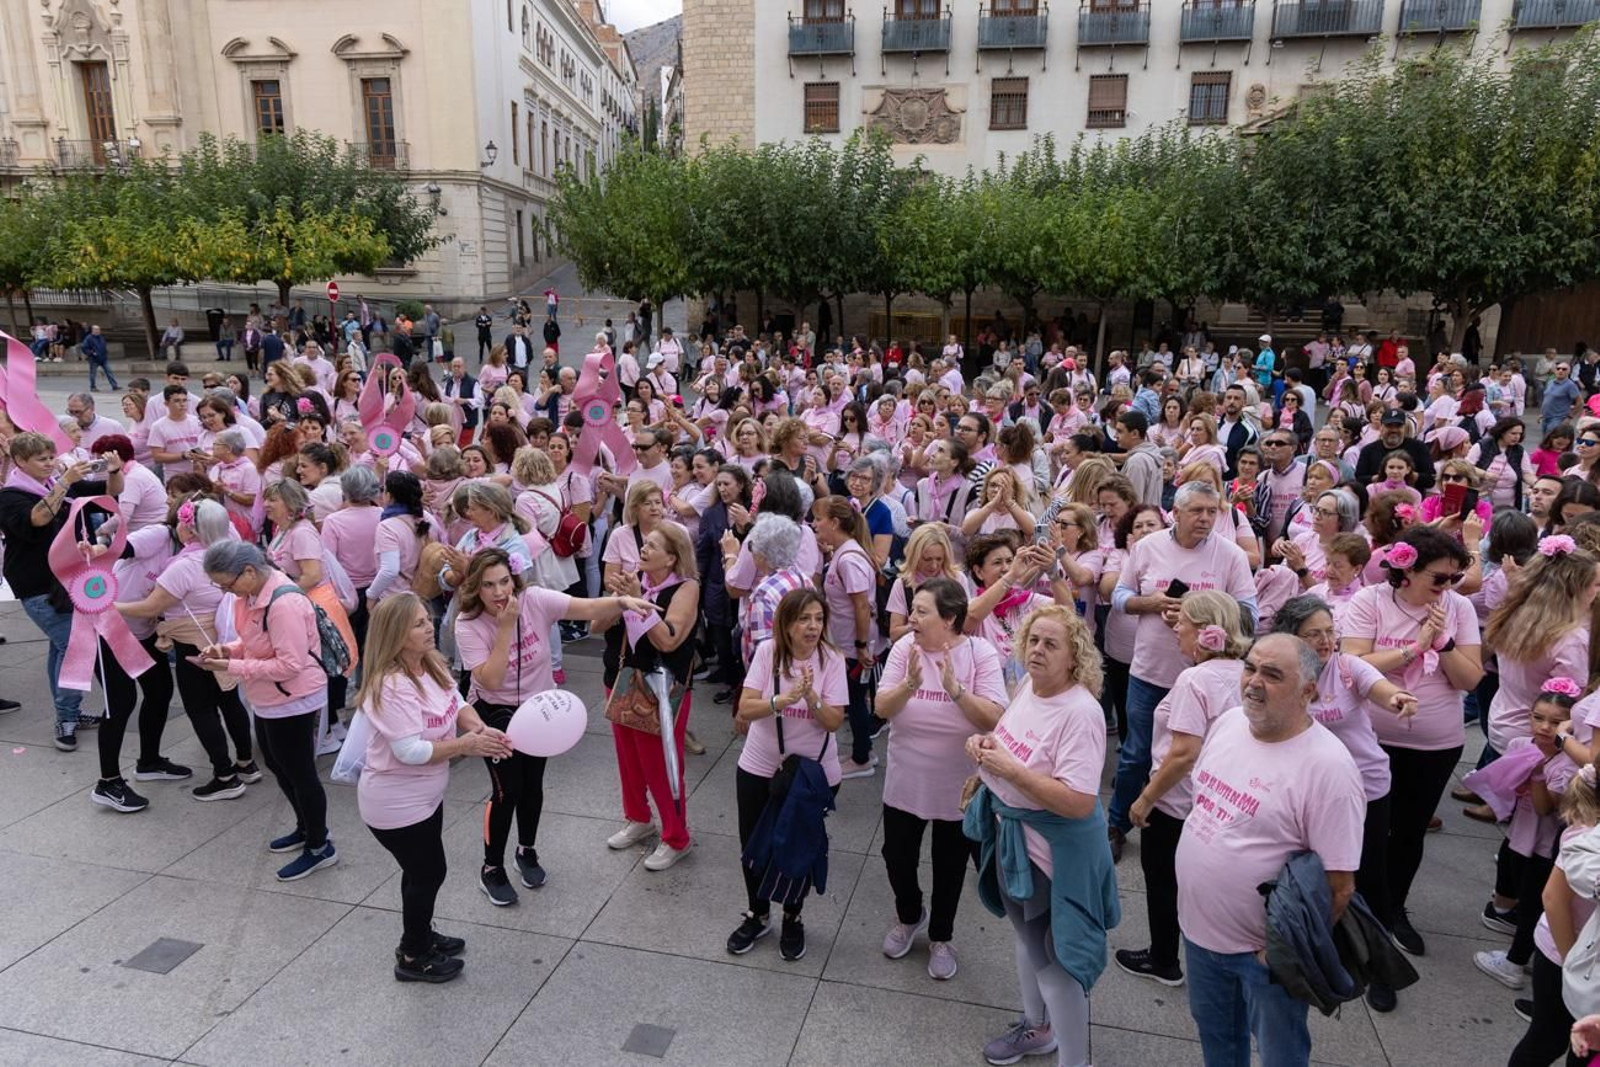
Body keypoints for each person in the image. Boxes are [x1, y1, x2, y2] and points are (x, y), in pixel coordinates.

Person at [1176, 633, 1365, 1067]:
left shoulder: (1330, 769)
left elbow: (1340, 887)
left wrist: (1283, 953)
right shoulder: (1227, 724)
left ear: (1308, 692)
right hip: (1199, 935)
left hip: (1263, 958)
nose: (1253, 682)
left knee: (1281, 1055)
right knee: (1218, 1044)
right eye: (1250, 667)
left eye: (1272, 674)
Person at [454, 549, 649, 906]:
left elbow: (585, 608)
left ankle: (526, 850)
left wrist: (623, 601)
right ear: (475, 589)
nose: (499, 593)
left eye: (504, 582)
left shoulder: (534, 599)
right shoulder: (468, 623)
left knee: (532, 786)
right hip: (494, 713)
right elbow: (492, 679)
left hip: (539, 710)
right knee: (506, 791)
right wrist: (502, 629)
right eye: (488, 585)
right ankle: (491, 868)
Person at [965, 605, 1115, 1067]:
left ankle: (1074, 1060)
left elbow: (1078, 801)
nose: (1037, 650)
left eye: (1051, 644)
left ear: (1074, 657)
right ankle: (1038, 1027)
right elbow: (1012, 742)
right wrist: (984, 750)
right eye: (1033, 640)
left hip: (1051, 856)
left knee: (1057, 965)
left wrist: (1010, 771)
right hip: (1015, 843)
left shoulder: (1081, 713)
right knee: (1026, 942)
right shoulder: (1030, 686)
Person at [1272, 594, 1420, 1012]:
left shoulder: (1348, 668)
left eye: (1329, 632)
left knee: (1369, 877)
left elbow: (1382, 687)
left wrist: (1397, 698)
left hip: (1364, 790)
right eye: (1313, 634)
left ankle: (1379, 968)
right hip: (1306, 794)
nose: (1325, 641)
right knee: (1308, 875)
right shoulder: (1286, 672)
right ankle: (1317, 944)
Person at [1339, 526, 1482, 957]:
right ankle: (1354, 906)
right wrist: (1414, 649)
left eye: (1456, 578)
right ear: (1406, 571)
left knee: (1409, 832)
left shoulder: (1458, 608)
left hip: (1435, 743)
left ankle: (1392, 909)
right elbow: (1353, 664)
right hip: (1371, 739)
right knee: (1366, 829)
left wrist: (1445, 643)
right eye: (1439, 578)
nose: (1449, 587)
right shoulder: (1371, 600)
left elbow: (1470, 678)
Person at [357, 593, 511, 983]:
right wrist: (467, 745)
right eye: (419, 624)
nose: (430, 627)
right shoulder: (391, 685)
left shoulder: (427, 664)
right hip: (395, 803)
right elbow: (409, 750)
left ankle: (422, 935)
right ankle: (413, 955)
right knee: (428, 873)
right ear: (395, 634)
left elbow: (456, 701)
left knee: (421, 871)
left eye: (428, 619)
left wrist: (476, 725)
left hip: (424, 797)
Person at [1108, 481, 1257, 860]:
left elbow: (1250, 614)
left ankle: (1195, 828)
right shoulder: (1147, 546)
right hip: (1150, 671)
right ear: (1176, 512)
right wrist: (1149, 603)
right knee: (1136, 754)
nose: (1206, 519)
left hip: (1206, 678)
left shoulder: (1231, 555)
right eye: (1198, 511)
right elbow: (1119, 596)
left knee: (1198, 757)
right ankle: (1116, 824)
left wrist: (1200, 612)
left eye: (1213, 511)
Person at [1116, 591, 1250, 988]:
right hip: (1217, 800)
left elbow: (1182, 753)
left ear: (1206, 631)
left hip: (1176, 802)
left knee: (1162, 881)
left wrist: (1145, 798)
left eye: (1183, 623)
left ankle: (1163, 959)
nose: (1176, 629)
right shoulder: (1244, 671)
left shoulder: (1195, 679)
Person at [875, 578, 1006, 980]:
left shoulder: (980, 653)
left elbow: (995, 716)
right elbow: (881, 707)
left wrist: (956, 690)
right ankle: (910, 914)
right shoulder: (903, 649)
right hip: (906, 777)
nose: (911, 618)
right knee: (897, 857)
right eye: (912, 610)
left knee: (949, 866)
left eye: (921, 611)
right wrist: (911, 685)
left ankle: (941, 936)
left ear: (950, 619)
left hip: (957, 784)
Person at [199, 541, 337, 882]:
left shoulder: (284, 602)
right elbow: (251, 642)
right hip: (269, 696)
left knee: (300, 771)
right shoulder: (249, 596)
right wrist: (226, 650)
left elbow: (290, 664)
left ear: (248, 571)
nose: (224, 591)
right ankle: (306, 828)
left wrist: (234, 664)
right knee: (277, 763)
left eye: (226, 584)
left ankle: (320, 845)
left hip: (292, 696)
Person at [727, 588, 848, 962]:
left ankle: (793, 916)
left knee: (797, 846)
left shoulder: (832, 660)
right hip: (759, 766)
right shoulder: (767, 652)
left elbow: (834, 721)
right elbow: (745, 709)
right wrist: (783, 699)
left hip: (810, 775)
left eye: (818, 618)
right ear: (787, 623)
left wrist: (810, 697)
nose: (813, 627)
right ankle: (758, 912)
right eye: (804, 619)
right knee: (754, 844)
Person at [112, 497, 258, 803]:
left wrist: (109, 606)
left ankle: (225, 776)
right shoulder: (233, 550)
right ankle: (246, 763)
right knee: (229, 700)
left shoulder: (185, 566)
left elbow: (151, 607)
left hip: (193, 643)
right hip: (225, 636)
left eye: (180, 521)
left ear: (190, 531)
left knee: (201, 709)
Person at [0, 432, 125, 748]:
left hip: (65, 578)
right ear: (19, 462)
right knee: (75, 648)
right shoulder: (11, 494)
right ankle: (66, 718)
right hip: (36, 584)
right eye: (41, 459)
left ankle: (69, 710)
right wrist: (64, 481)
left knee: (62, 647)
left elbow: (110, 493)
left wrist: (113, 469)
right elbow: (38, 518)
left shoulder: (53, 483)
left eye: (51, 457)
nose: (49, 464)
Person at [601, 521, 701, 871]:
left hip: (662, 688)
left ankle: (677, 838)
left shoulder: (686, 588)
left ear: (672, 558)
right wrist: (615, 600)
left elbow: (669, 639)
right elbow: (596, 627)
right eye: (645, 544)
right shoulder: (634, 580)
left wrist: (635, 603)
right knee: (628, 758)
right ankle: (639, 819)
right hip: (621, 679)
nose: (643, 549)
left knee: (661, 765)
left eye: (653, 547)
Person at [813, 495, 882, 780]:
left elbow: (861, 605)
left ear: (835, 522)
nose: (815, 524)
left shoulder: (849, 559)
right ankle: (861, 751)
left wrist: (862, 646)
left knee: (854, 702)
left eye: (819, 519)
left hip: (854, 646)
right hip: (848, 643)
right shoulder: (844, 553)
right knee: (854, 699)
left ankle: (862, 757)